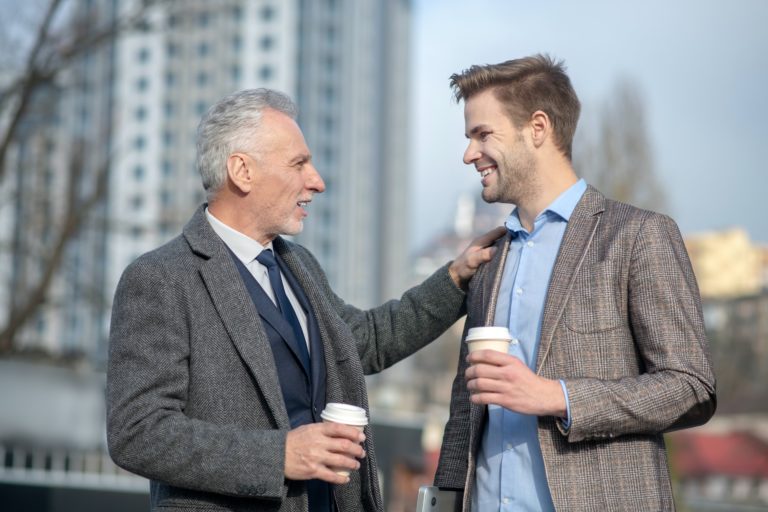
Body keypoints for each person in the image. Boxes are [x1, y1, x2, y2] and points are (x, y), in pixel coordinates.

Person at [106, 88, 504, 512]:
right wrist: (279, 455)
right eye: (299, 163)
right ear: (242, 171)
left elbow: (364, 341)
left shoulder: (300, 266)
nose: (317, 181)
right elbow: (138, 431)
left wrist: (455, 279)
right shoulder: (160, 278)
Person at [433, 55, 717, 511]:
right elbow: (466, 409)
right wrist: (444, 499)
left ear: (538, 128)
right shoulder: (488, 258)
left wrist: (557, 397)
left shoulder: (636, 236)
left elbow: (691, 387)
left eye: (482, 134)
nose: (469, 154)